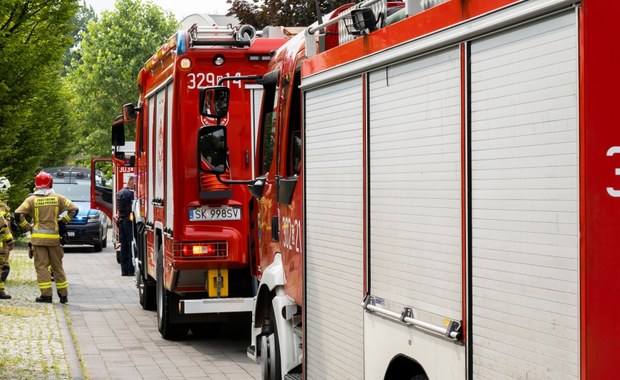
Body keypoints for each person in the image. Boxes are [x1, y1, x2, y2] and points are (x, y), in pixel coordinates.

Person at [14, 171, 78, 303]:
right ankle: (63, 295)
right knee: (57, 267)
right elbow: (74, 209)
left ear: (36, 185)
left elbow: (17, 215)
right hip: (54, 239)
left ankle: (46, 295)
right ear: (51, 184)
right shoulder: (58, 198)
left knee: (42, 267)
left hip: (38, 240)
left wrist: (27, 227)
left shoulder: (31, 200)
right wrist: (62, 221)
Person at [0, 176, 15, 299]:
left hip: (3, 242)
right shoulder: (1, 207)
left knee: (4, 265)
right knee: (3, 266)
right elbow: (3, 225)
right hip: (2, 242)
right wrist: (10, 240)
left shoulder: (4, 206)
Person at [117, 175, 135, 276]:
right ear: (131, 182)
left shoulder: (120, 192)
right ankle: (130, 270)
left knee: (123, 247)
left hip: (121, 221)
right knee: (130, 245)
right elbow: (132, 209)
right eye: (134, 183)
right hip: (128, 222)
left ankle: (123, 271)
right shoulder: (129, 194)